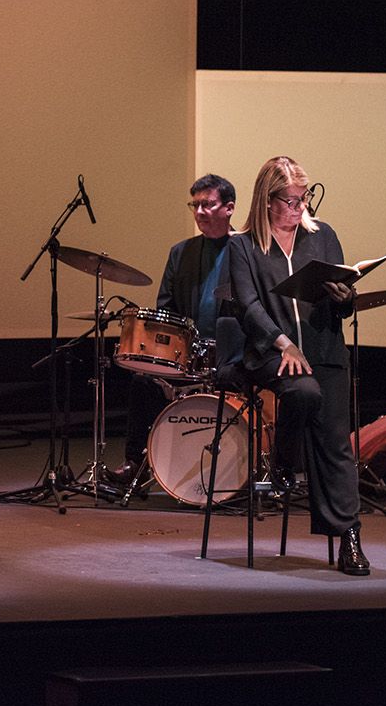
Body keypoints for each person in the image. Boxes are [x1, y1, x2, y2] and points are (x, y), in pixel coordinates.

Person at [227, 155, 370, 575]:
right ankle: (285, 461)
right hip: (272, 352)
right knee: (303, 392)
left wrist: (346, 298)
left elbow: (341, 302)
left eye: (303, 198)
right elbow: (248, 305)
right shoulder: (244, 245)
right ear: (267, 201)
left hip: (324, 350)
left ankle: (349, 538)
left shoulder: (322, 237)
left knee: (337, 445)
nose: (299, 207)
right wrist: (284, 342)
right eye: (289, 200)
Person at [107, 174, 238, 487]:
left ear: (229, 208)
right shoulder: (181, 253)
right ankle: (134, 465)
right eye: (195, 205)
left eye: (208, 204)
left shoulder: (246, 250)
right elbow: (166, 310)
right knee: (143, 381)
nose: (200, 212)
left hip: (232, 355)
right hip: (188, 356)